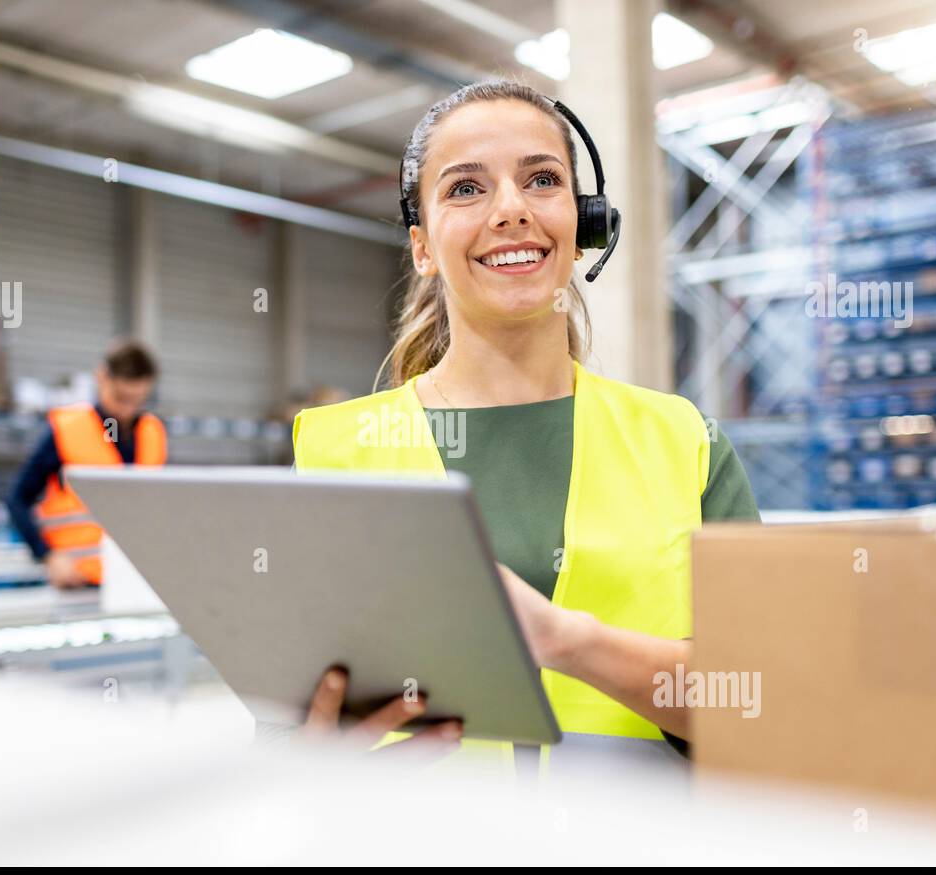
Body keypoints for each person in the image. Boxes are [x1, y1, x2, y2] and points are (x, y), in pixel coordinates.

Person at [290, 81, 759, 770]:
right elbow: (289, 727)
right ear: (422, 247)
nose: (510, 210)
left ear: (584, 222)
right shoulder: (331, 453)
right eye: (466, 189)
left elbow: (767, 698)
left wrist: (570, 643)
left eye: (541, 179)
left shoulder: (684, 441)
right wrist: (309, 747)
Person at [7, 340, 168, 588]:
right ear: (102, 377)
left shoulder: (153, 432)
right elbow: (17, 500)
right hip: (77, 583)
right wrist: (48, 556)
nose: (127, 410)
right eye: (121, 398)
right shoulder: (66, 429)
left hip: (134, 581)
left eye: (136, 400)